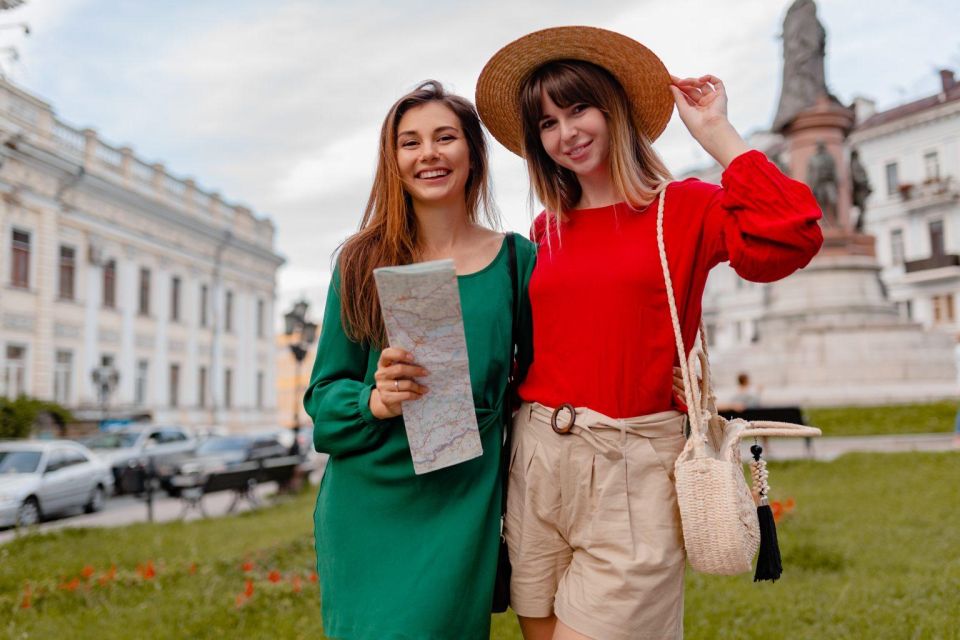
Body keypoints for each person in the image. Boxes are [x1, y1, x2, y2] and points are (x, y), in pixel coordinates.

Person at [476, 26, 824, 640]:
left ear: (613, 109)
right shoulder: (545, 228)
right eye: (547, 123)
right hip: (535, 458)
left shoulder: (682, 208)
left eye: (578, 108)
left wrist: (717, 133)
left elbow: (793, 234)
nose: (566, 133)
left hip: (631, 464)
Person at [302, 80, 537, 640]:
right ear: (394, 160)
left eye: (445, 137)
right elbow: (323, 396)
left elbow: (541, 374)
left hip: (462, 496)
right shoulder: (361, 260)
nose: (428, 153)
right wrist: (373, 399)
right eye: (410, 142)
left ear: (473, 153)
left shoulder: (515, 259)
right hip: (371, 501)